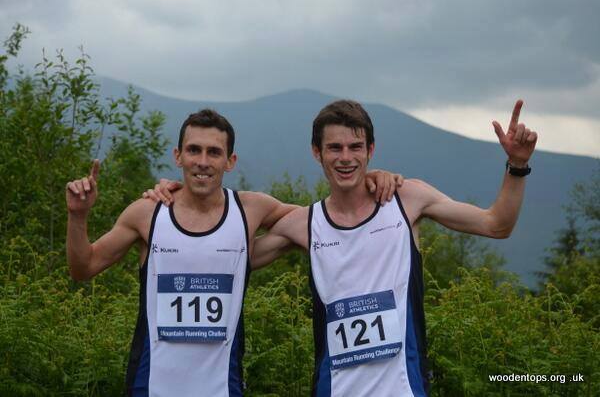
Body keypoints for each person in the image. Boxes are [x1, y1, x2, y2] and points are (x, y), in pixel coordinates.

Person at [66, 108, 401, 397]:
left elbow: (327, 221)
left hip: (223, 388)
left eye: (214, 152)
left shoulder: (250, 210)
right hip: (151, 387)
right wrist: (78, 216)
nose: (202, 162)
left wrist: (366, 180)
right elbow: (84, 267)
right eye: (193, 150)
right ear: (177, 156)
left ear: (230, 161)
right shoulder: (147, 213)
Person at [249, 99, 538, 396]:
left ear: (370, 150)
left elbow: (497, 224)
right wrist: (247, 206)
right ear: (316, 153)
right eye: (335, 148)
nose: (345, 157)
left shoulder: (405, 200)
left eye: (355, 147)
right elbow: (233, 259)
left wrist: (517, 165)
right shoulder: (305, 224)